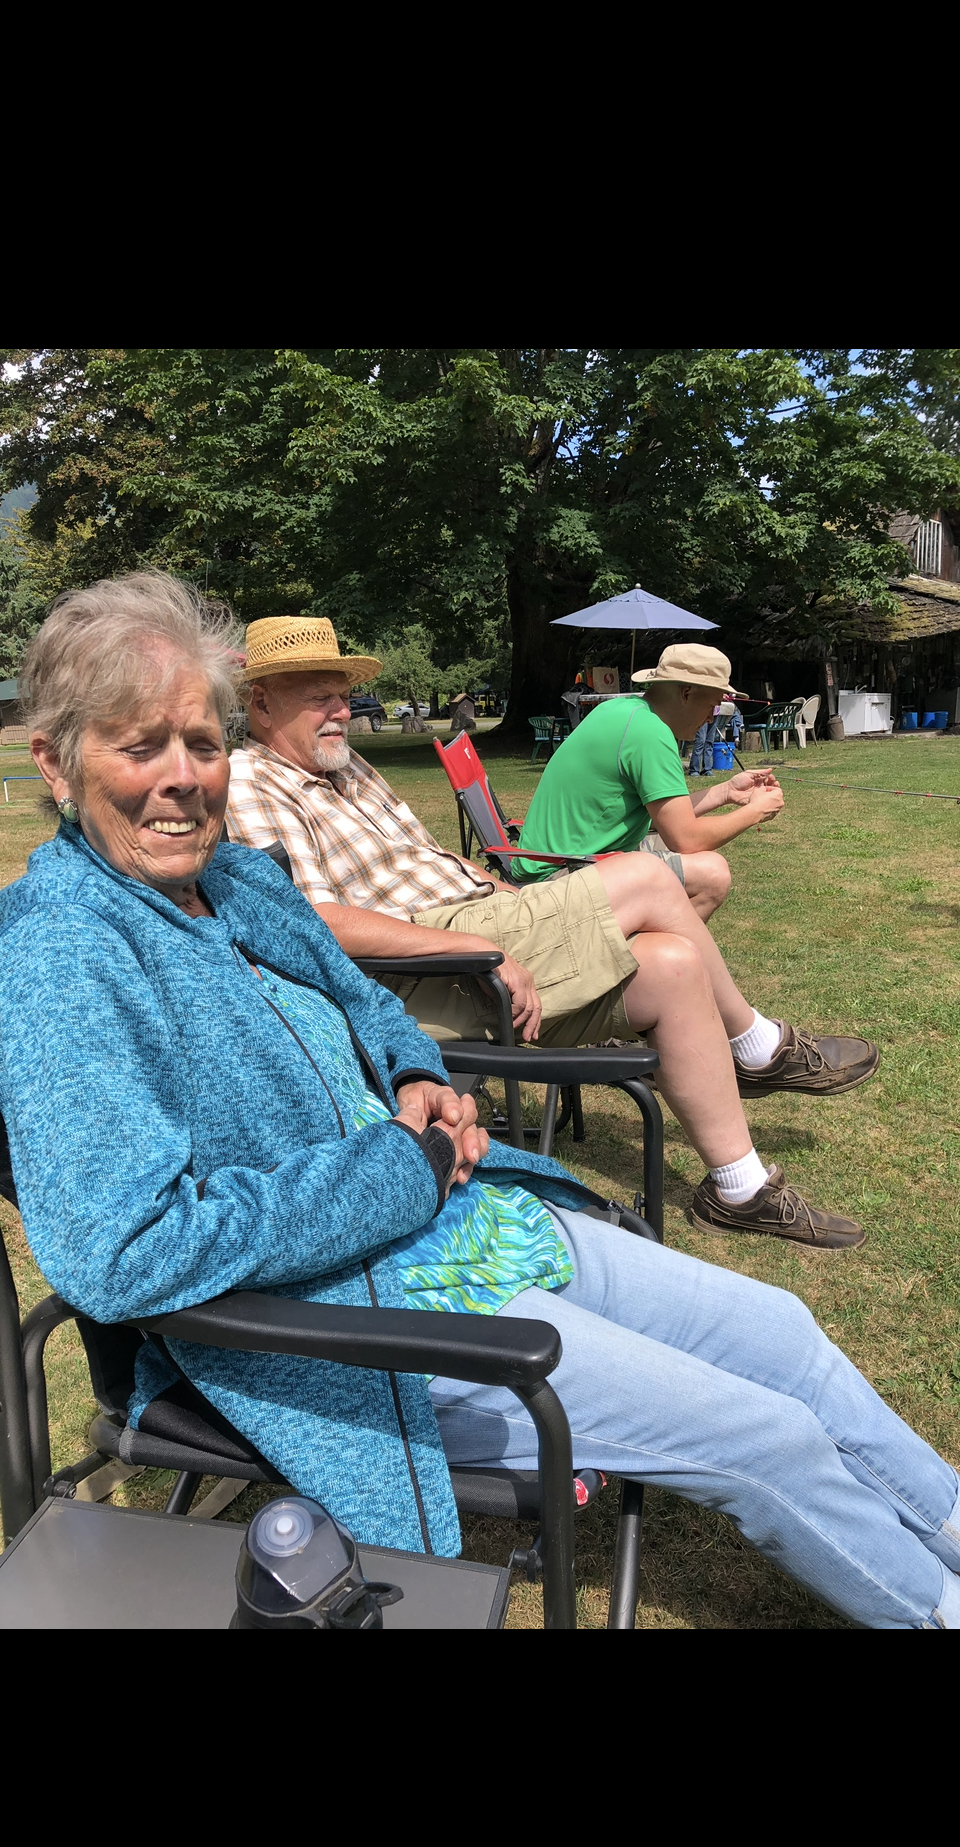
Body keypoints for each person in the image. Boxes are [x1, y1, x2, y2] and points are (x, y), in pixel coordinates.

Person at [3, 570, 959, 1629]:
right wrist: (398, 1170)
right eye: (142, 746)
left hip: (472, 1224)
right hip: (343, 1318)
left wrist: (418, 1073)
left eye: (203, 742)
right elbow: (119, 1251)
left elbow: (364, 1000)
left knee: (782, 1332)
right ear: (56, 760)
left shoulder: (231, 879)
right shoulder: (64, 955)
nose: (184, 779)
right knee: (763, 1434)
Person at [227, 616, 877, 1248]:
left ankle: (738, 1191)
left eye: (343, 695)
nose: (340, 711)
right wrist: (480, 948)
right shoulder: (249, 779)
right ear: (261, 701)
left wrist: (505, 898)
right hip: (426, 970)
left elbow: (436, 860)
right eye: (320, 699)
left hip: (477, 922)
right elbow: (312, 924)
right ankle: (759, 1048)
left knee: (675, 963)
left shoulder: (350, 768)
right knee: (653, 877)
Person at [516, 642, 783, 924]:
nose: (710, 718)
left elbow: (666, 818)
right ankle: (662, 959)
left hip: (550, 863)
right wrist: (756, 812)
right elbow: (685, 839)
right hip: (554, 879)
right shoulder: (650, 733)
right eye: (713, 706)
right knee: (712, 874)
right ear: (686, 693)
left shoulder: (624, 710)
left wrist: (726, 791)